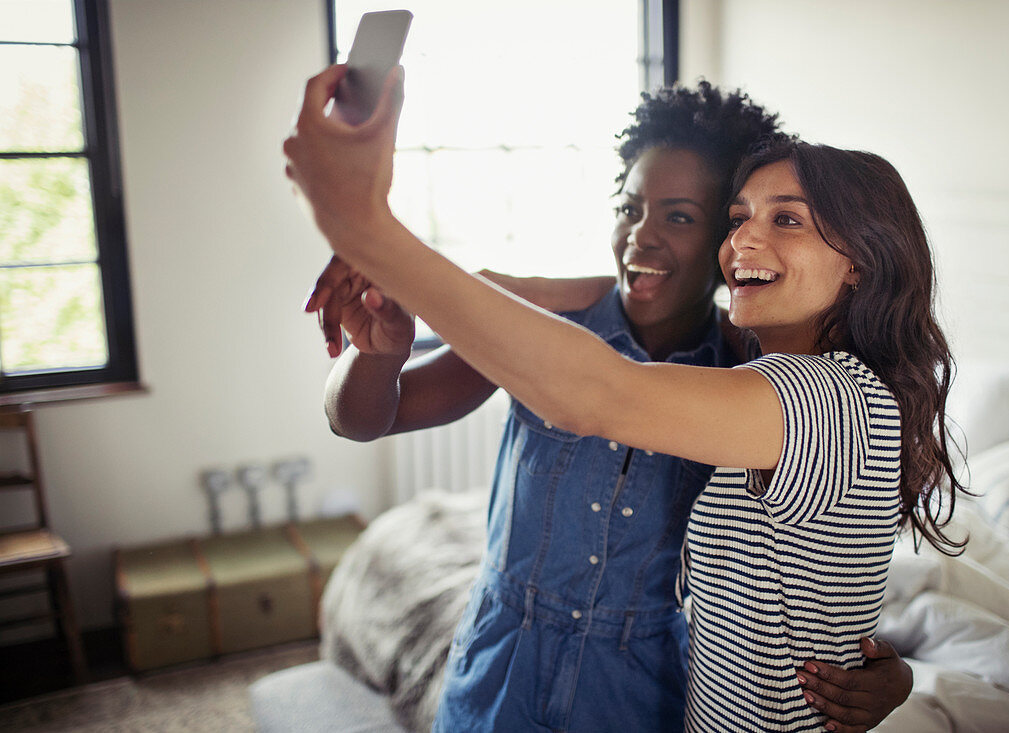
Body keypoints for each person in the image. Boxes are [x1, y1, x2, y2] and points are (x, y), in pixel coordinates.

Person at [292, 69, 924, 732]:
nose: (642, 234)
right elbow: (359, 417)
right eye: (629, 208)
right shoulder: (549, 331)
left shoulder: (751, 373)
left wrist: (370, 227)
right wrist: (384, 351)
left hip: (639, 688)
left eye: (681, 216)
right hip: (502, 664)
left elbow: (809, 562)